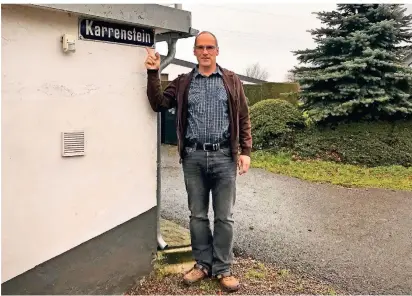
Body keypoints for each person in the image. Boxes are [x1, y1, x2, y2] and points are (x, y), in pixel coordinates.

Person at [144, 31, 252, 292]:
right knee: (198, 216)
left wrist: (245, 151)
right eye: (200, 47)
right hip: (193, 157)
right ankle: (203, 264)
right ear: (194, 52)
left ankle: (223, 268)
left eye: (210, 47)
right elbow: (158, 103)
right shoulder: (183, 82)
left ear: (217, 51)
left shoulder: (231, 80)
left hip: (224, 157)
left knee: (224, 217)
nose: (205, 52)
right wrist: (153, 72)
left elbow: (243, 118)